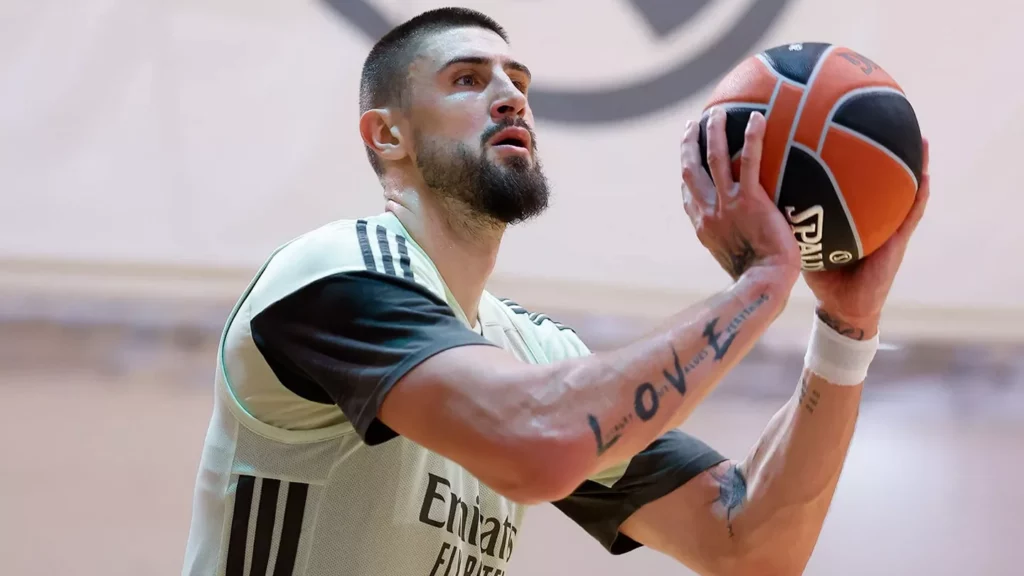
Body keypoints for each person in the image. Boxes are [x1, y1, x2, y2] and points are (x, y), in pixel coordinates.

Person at [181, 7, 930, 576]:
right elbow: (537, 445)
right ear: (387, 137)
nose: (510, 98)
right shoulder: (334, 274)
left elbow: (750, 547)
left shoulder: (532, 352)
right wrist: (767, 282)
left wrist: (845, 325)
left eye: (518, 83)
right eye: (468, 80)